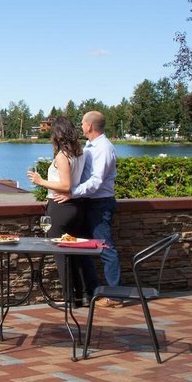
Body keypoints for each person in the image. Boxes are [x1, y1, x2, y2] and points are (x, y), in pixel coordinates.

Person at [55, 110, 122, 308]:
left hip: (100, 204)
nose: (81, 126)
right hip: (88, 203)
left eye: (83, 123)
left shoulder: (104, 149)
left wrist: (72, 193)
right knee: (84, 247)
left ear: (90, 126)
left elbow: (96, 181)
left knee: (105, 248)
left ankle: (116, 296)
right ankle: (92, 292)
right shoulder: (90, 146)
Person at [27, 116, 89, 306]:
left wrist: (40, 181)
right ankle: (83, 295)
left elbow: (65, 185)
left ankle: (69, 299)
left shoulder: (63, 156)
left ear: (57, 134)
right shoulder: (80, 153)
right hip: (76, 207)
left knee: (61, 255)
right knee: (75, 253)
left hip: (60, 208)